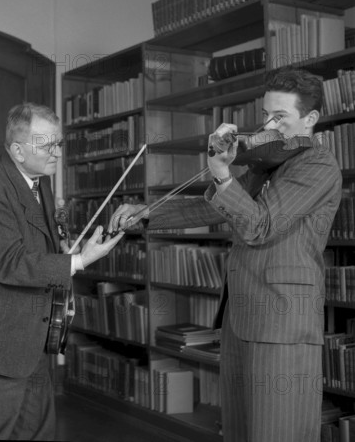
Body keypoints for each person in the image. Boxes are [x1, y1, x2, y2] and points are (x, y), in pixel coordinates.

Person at [109, 69, 342, 442]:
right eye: (266, 114)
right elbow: (217, 208)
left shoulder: (317, 165)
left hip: (283, 320)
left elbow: (259, 226)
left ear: (310, 119)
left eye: (280, 117)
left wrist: (222, 173)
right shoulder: (267, 164)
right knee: (239, 430)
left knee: (277, 433)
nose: (268, 125)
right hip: (242, 317)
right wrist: (146, 212)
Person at [0, 102, 124, 440]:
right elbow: (11, 262)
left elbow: (39, 249)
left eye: (59, 143)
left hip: (33, 341)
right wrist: (80, 260)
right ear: (17, 150)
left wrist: (69, 250)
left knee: (37, 434)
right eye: (47, 146)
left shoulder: (38, 181)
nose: (57, 153)